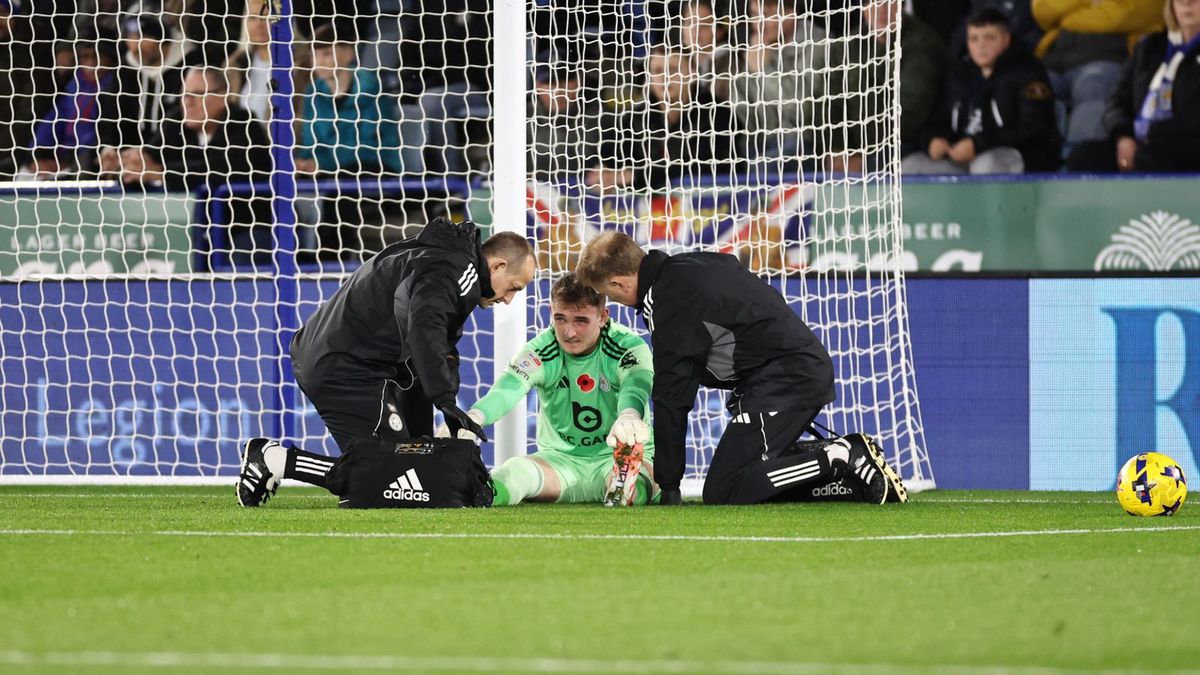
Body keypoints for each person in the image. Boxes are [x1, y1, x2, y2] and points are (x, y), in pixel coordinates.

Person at [575, 231, 907, 506]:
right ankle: (847, 479)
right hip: (783, 376)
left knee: (726, 490)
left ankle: (841, 456)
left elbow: (672, 395)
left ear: (619, 283)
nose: (614, 302)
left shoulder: (668, 300)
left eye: (609, 294)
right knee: (751, 482)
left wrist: (669, 485)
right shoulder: (692, 263)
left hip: (786, 380)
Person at [236, 223, 537, 507]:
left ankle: (298, 463)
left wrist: (441, 414)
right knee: (395, 479)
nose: (509, 300)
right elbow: (425, 329)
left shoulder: (442, 256)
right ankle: (274, 459)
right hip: (345, 365)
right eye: (513, 287)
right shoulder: (454, 270)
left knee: (411, 472)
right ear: (497, 266)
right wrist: (444, 400)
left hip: (347, 358)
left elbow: (439, 345)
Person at [435, 273, 658, 506]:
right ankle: (471, 497)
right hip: (560, 463)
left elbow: (636, 386)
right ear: (550, 311)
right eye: (560, 319)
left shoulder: (627, 347)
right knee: (516, 472)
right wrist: (474, 417)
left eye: (580, 321)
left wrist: (629, 414)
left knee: (636, 486)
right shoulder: (542, 350)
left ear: (602, 317)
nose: (569, 332)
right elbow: (507, 390)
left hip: (618, 459)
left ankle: (627, 485)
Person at [117, 67, 273, 270]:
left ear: (222, 95)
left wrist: (162, 173)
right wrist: (126, 162)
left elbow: (220, 170)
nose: (187, 102)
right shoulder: (176, 122)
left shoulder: (244, 124)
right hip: (196, 229)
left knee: (239, 259)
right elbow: (148, 158)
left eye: (197, 94)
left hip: (250, 226)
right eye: (184, 94)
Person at [904, 7, 1061, 175]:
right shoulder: (959, 74)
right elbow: (936, 120)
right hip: (965, 157)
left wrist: (978, 144)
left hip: (1022, 156)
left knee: (986, 165)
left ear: (1006, 40)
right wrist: (931, 141)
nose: (981, 45)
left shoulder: (1029, 71)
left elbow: (1033, 128)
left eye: (990, 38)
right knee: (911, 166)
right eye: (974, 39)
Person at [1033, 0, 1162, 154]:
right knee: (1030, 90)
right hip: (1052, 60)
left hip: (1108, 58)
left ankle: (1079, 165)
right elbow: (1042, 10)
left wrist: (1068, 15)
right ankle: (1029, 168)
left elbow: (1123, 16)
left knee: (1093, 86)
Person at [1097, 0, 1200, 172]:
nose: (1187, 3)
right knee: (1086, 156)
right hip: (1141, 140)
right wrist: (1123, 137)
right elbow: (1116, 101)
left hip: (1187, 142)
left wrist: (1154, 133)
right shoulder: (1149, 46)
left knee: (1152, 156)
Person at [24, 31, 137, 179]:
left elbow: (103, 133)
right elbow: (53, 120)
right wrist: (38, 155)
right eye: (85, 57)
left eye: (96, 56)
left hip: (88, 160)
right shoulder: (73, 85)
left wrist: (68, 161)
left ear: (110, 58)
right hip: (60, 158)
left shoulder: (117, 87)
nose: (90, 63)